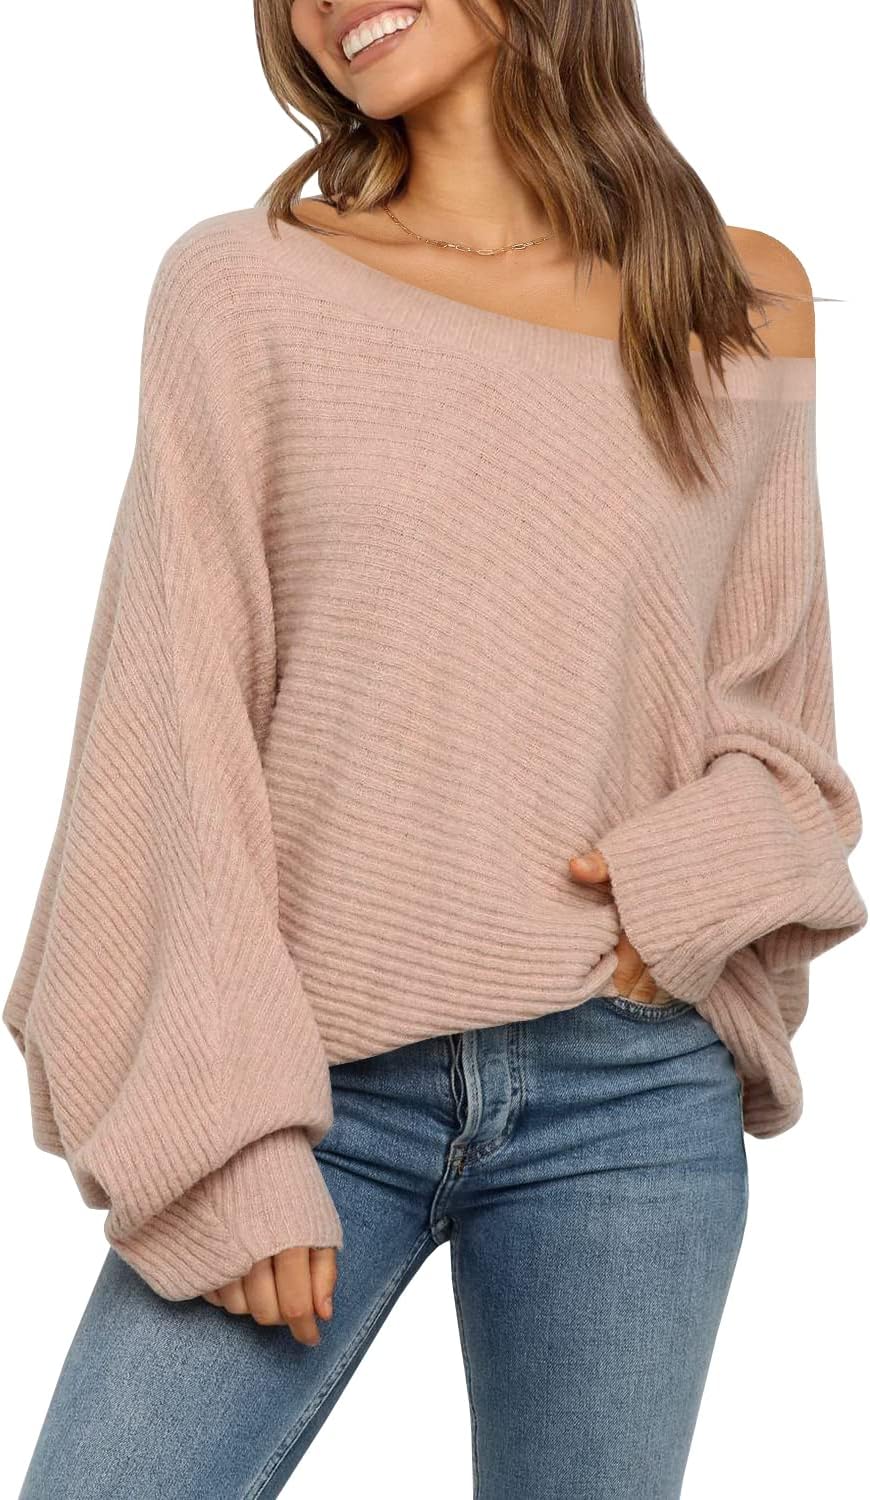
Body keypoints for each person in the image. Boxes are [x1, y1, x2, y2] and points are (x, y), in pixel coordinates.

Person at [5, 0, 866, 1496]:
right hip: (311, 1088)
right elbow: (172, 719)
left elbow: (780, 731)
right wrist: (230, 1137)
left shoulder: (733, 296)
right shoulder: (244, 287)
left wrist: (664, 904)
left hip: (628, 1094)